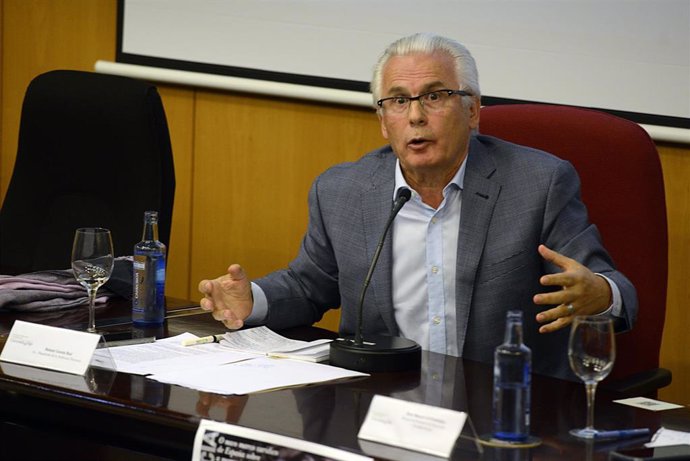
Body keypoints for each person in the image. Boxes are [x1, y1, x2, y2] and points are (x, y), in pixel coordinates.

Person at [198, 33, 636, 379]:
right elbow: (311, 285)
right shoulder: (341, 191)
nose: (416, 116)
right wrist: (250, 298)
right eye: (399, 101)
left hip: (503, 402)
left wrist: (600, 295)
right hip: (381, 400)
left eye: (434, 96)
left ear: (473, 111)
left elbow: (618, 291)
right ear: (383, 120)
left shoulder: (538, 184)